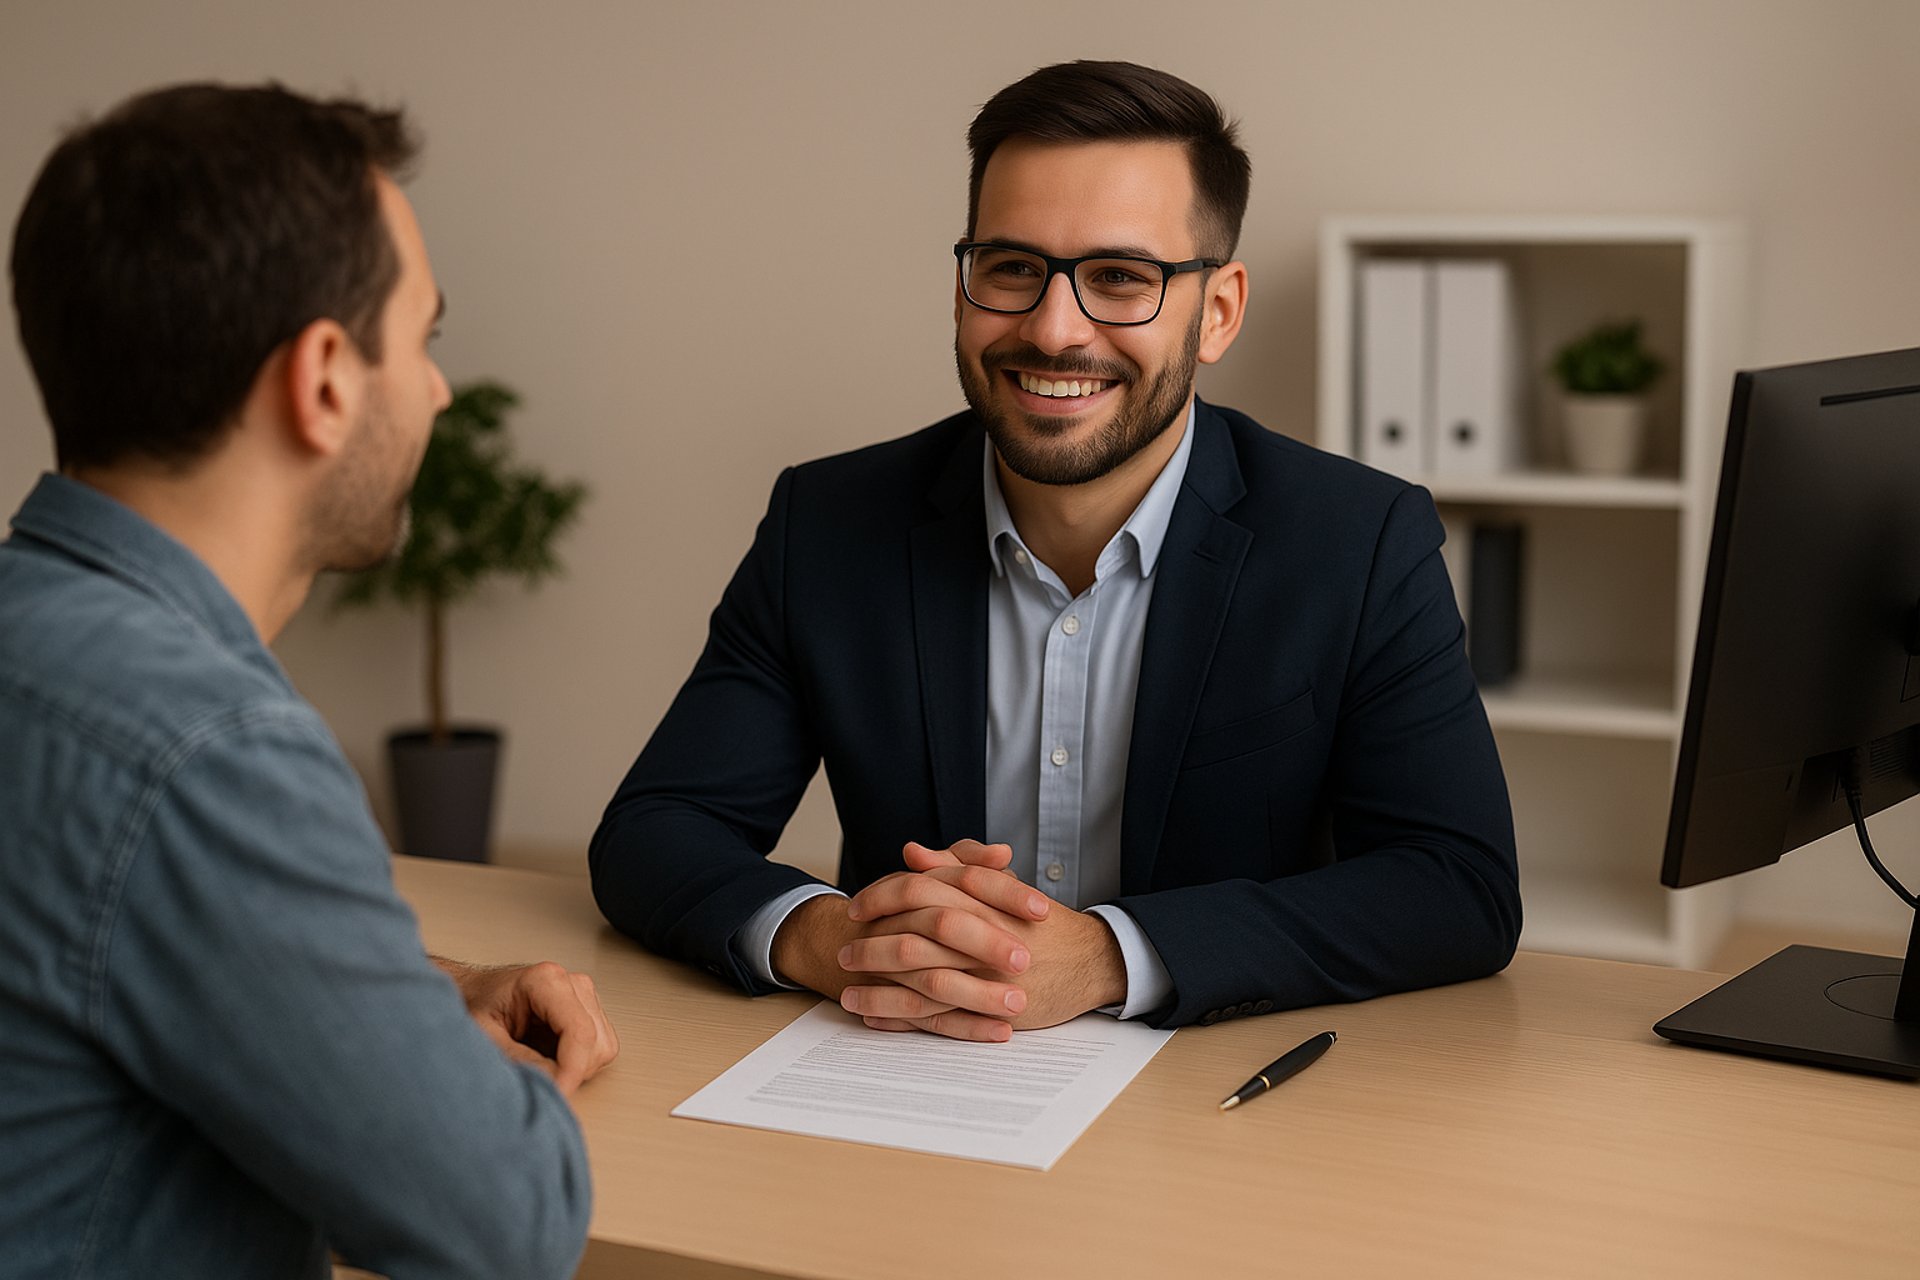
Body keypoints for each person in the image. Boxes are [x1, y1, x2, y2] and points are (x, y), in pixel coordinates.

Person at [591, 60, 1520, 1042]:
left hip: (1216, 1103)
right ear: (962, 288)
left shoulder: (1360, 540)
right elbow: (657, 831)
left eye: (1121, 276)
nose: (1052, 326)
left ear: (1218, 311)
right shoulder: (827, 524)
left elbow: (1457, 884)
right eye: (1011, 267)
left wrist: (1109, 955)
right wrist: (836, 937)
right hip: (900, 1077)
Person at [0, 84, 616, 1279]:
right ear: (325, 378)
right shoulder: (207, 747)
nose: (437, 390)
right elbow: (506, 1223)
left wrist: (411, 994)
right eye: (423, 340)